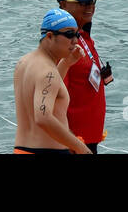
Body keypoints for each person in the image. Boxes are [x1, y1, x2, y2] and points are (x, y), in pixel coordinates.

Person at [12, 9, 92, 154]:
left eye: (77, 34)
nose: (75, 40)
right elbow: (43, 118)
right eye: (69, 35)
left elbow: (49, 91)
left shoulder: (24, 62)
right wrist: (81, 148)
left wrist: (66, 63)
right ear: (49, 36)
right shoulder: (48, 71)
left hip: (22, 149)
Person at [57, 0, 113, 154]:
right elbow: (56, 96)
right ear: (63, 5)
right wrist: (69, 139)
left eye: (91, 2)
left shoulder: (82, 34)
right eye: (82, 2)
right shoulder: (63, 43)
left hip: (90, 137)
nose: (89, 6)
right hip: (74, 142)